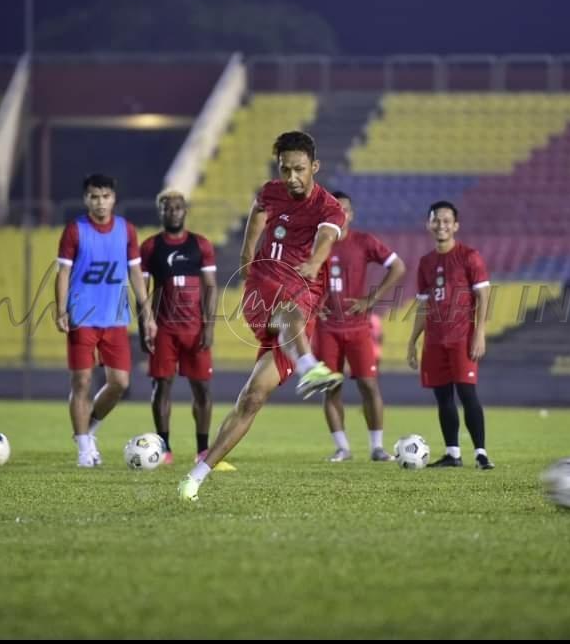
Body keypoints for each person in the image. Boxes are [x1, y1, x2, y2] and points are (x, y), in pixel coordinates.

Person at [178, 130, 346, 501]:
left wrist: (315, 262)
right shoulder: (271, 191)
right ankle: (308, 368)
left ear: (314, 167)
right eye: (285, 169)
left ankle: (195, 477)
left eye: (299, 169)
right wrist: (245, 258)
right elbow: (257, 213)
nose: (292, 178)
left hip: (303, 295)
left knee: (252, 399)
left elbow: (326, 239)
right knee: (289, 311)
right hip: (264, 289)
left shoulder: (329, 207)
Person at [55, 174, 157, 467]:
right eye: (94, 197)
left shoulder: (127, 231)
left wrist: (147, 314)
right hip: (82, 317)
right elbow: (62, 273)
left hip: (115, 318)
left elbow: (136, 274)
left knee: (119, 383)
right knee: (82, 380)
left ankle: (88, 431)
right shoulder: (75, 231)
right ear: (86, 199)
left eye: (105, 196)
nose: (100, 203)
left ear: (114, 198)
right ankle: (84, 450)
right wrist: (61, 309)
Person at [140, 188, 233, 470]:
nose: (173, 212)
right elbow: (141, 291)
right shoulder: (150, 247)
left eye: (178, 207)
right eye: (167, 207)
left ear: (185, 211)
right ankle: (164, 447)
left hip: (194, 328)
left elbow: (210, 287)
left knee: (203, 388)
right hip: (164, 328)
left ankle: (203, 450)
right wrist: (146, 324)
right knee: (161, 386)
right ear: (161, 211)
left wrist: (209, 326)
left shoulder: (200, 245)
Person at [315, 191, 406, 462]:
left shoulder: (364, 242)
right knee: (330, 387)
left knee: (369, 385)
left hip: (357, 327)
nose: (340, 215)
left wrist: (372, 298)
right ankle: (342, 447)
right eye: (335, 210)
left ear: (351, 214)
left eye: (344, 210)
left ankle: (377, 447)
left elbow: (398, 267)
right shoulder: (316, 244)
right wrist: (312, 301)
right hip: (326, 328)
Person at [406, 201, 494, 469]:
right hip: (434, 340)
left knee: (468, 394)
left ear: (455, 226)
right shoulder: (425, 262)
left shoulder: (469, 256)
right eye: (436, 220)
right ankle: (452, 454)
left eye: (447, 221)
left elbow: (484, 295)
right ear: (429, 224)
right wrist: (412, 341)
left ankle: (481, 453)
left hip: (462, 338)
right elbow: (423, 304)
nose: (441, 225)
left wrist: (480, 333)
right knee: (443, 398)